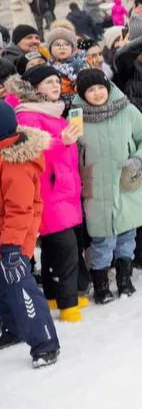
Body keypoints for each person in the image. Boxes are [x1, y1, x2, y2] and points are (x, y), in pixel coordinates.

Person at [74, 70, 142, 303]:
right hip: (96, 186)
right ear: (82, 94)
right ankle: (101, 285)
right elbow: (70, 150)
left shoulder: (127, 110)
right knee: (102, 240)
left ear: (108, 87)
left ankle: (124, 279)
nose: (97, 93)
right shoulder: (76, 117)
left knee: (127, 235)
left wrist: (138, 159)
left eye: (101, 88)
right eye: (91, 90)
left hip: (126, 181)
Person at [8, 68, 83, 321]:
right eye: (49, 82)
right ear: (34, 87)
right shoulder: (28, 114)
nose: (55, 86)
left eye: (57, 81)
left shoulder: (53, 111)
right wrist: (62, 141)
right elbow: (32, 151)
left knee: (53, 247)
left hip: (62, 190)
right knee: (66, 248)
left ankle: (53, 296)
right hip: (48, 192)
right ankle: (68, 304)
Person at [0, 100, 60, 368]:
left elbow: (20, 210)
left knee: (20, 287)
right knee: (3, 288)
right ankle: (13, 329)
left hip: (13, 238)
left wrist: (12, 247)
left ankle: (45, 343)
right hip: (5, 234)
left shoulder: (14, 164)